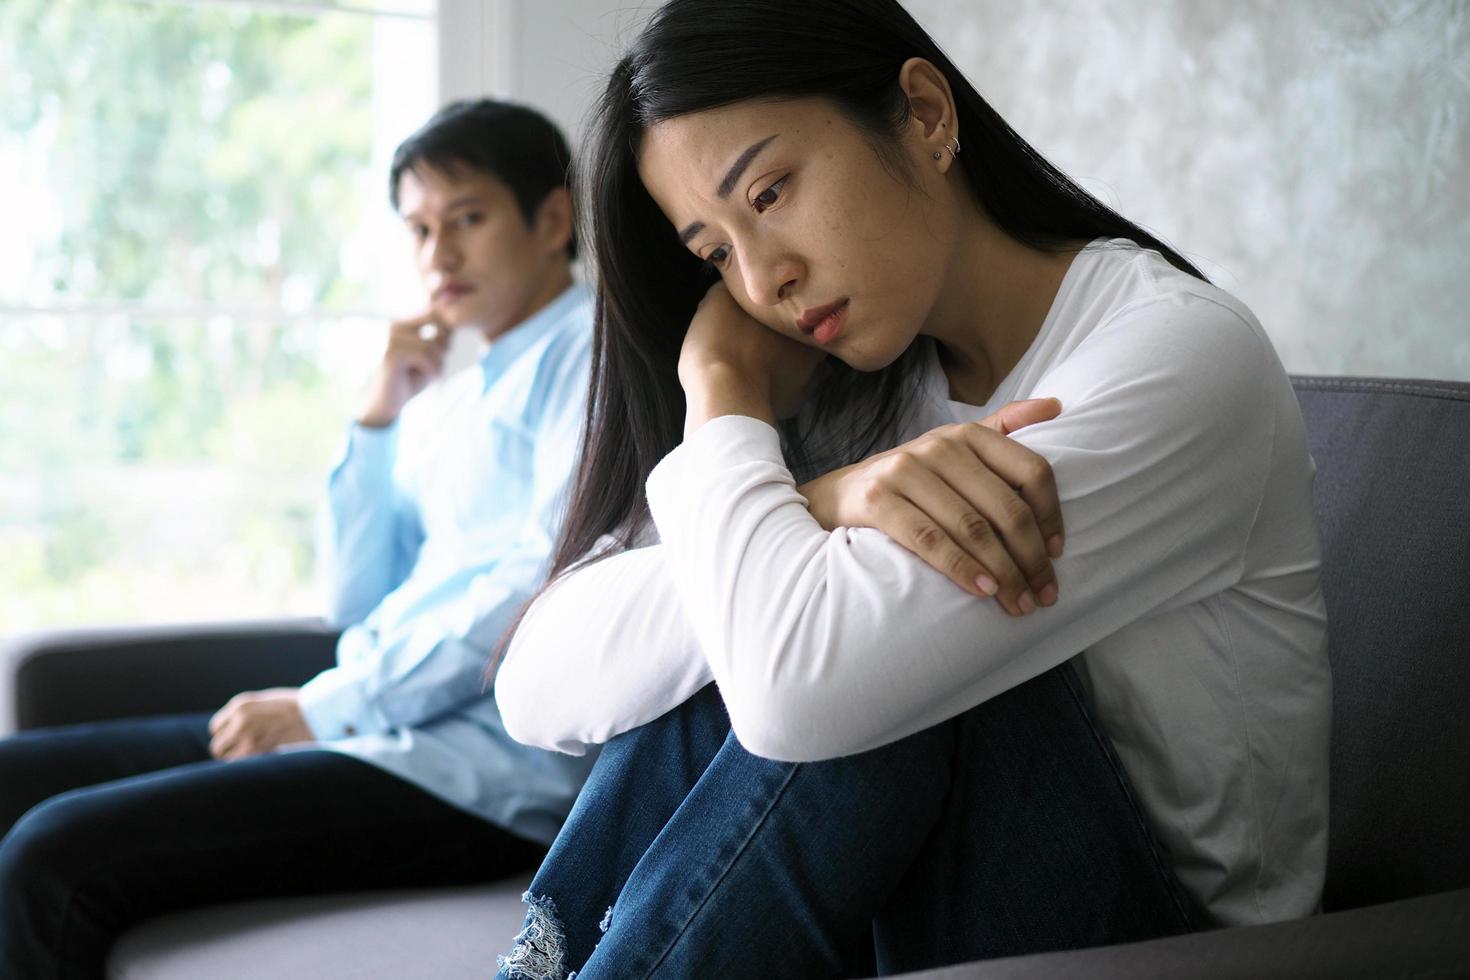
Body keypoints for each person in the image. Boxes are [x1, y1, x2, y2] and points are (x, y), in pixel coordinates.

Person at [488, 2, 1332, 978]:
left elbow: (797, 694)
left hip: (1160, 943)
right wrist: (816, 500)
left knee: (850, 647)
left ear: (926, 114)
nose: (764, 283)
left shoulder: (1175, 358)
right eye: (716, 254)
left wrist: (720, 383)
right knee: (744, 603)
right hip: (902, 918)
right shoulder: (857, 399)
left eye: (768, 193)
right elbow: (535, 684)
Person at [0, 98, 597, 978]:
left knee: (51, 856)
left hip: (475, 779)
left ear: (553, 218)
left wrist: (322, 709)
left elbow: (532, 591)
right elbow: (356, 600)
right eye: (420, 229)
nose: (438, 255)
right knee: (12, 778)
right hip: (378, 724)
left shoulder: (595, 357)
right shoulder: (460, 391)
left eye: (466, 219)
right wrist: (379, 415)